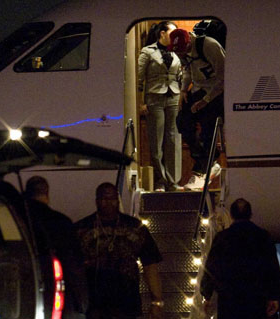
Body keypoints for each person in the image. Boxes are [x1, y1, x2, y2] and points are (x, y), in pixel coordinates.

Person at [74, 182, 163, 319]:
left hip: (127, 300)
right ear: (97, 201)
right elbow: (73, 267)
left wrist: (156, 301)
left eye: (112, 198)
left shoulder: (135, 227)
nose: (108, 203)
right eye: (104, 198)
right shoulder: (82, 228)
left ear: (118, 200)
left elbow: (150, 265)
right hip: (94, 302)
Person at [200, 198, 280, 319]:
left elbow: (211, 266)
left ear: (232, 215)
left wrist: (206, 294)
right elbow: (272, 267)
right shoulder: (263, 236)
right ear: (250, 214)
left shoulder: (222, 238)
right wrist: (274, 295)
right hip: (256, 298)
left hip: (229, 299)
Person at [167, 28, 225, 191]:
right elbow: (187, 71)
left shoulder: (209, 46)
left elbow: (223, 76)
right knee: (182, 121)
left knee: (208, 126)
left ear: (189, 42)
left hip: (217, 91)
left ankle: (206, 167)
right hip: (199, 90)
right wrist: (184, 90)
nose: (181, 54)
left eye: (183, 50)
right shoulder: (184, 54)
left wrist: (205, 101)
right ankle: (203, 162)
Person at [25, 176, 88, 319]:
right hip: (63, 298)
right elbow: (75, 266)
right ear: (47, 194)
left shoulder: (19, 219)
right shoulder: (61, 222)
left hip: (26, 294)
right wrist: (81, 303)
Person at [137, 21, 182, 192]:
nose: (175, 36)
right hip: (154, 98)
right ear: (162, 33)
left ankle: (173, 181)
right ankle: (160, 181)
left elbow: (180, 74)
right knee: (156, 140)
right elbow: (139, 79)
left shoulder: (177, 51)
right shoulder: (148, 52)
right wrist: (141, 102)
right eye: (172, 32)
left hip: (173, 97)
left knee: (173, 139)